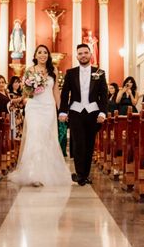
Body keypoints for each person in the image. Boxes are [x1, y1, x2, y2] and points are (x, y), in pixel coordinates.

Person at [9, 45, 71, 187]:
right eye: (40, 52)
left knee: (47, 137)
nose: (42, 55)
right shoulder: (29, 70)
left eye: (45, 52)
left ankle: (47, 172)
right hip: (34, 106)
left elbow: (56, 92)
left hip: (48, 107)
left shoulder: (53, 70)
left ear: (48, 55)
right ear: (35, 55)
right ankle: (33, 174)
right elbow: (26, 93)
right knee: (34, 135)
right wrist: (32, 88)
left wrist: (62, 110)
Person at [58, 43, 108, 186]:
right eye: (80, 53)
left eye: (86, 53)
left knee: (89, 144)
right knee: (78, 144)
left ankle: (85, 174)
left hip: (93, 112)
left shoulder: (99, 72)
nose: (83, 55)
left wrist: (103, 113)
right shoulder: (70, 73)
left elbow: (104, 95)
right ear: (76, 56)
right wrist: (63, 111)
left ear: (90, 54)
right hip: (76, 112)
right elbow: (65, 93)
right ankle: (80, 174)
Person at [8, 75, 24, 141]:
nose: (17, 84)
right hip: (13, 114)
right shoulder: (9, 93)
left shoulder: (20, 93)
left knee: (21, 134)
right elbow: (12, 101)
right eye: (15, 82)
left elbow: (22, 105)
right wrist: (22, 98)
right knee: (14, 134)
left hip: (21, 114)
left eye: (18, 82)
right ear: (11, 84)